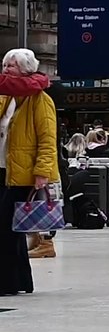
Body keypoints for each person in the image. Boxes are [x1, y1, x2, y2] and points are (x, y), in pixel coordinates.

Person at [0, 49, 61, 294]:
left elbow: (47, 139)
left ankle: (6, 282)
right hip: (3, 169)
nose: (5, 70)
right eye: (4, 66)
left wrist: (42, 171)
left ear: (25, 69)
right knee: (12, 229)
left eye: (11, 66)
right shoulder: (5, 97)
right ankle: (20, 281)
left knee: (5, 227)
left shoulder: (40, 99)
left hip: (24, 173)